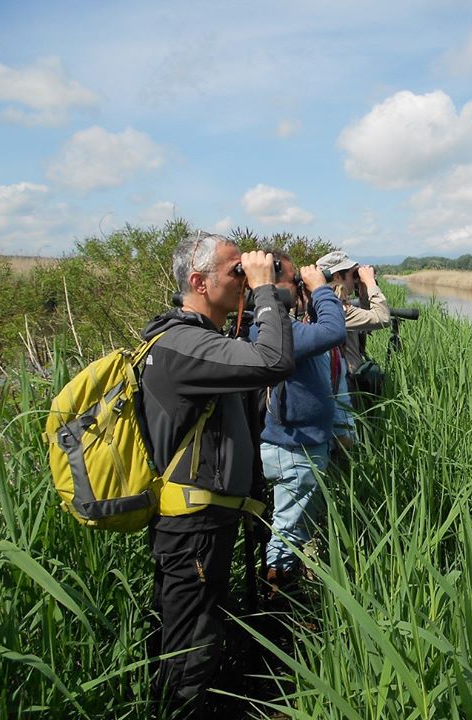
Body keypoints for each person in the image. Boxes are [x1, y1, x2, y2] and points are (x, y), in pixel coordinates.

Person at [139, 231, 295, 716]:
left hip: (207, 526)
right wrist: (268, 290)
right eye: (236, 272)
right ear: (197, 282)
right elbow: (273, 360)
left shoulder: (204, 342)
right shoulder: (183, 345)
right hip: (192, 533)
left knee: (200, 633)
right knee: (191, 649)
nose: (245, 279)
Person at [251, 251, 353, 595]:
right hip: (295, 450)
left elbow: (319, 333)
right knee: (288, 531)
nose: (299, 286)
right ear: (274, 285)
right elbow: (333, 332)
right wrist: (321, 289)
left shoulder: (280, 328)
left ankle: (287, 587)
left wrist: (311, 296)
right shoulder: (276, 332)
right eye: (294, 281)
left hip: (298, 446)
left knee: (294, 526)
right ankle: (279, 603)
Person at [315, 250, 390, 384]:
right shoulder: (337, 309)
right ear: (337, 276)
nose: (355, 278)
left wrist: (363, 292)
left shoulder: (322, 303)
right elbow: (382, 318)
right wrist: (370, 281)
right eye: (352, 274)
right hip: (347, 384)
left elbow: (366, 322)